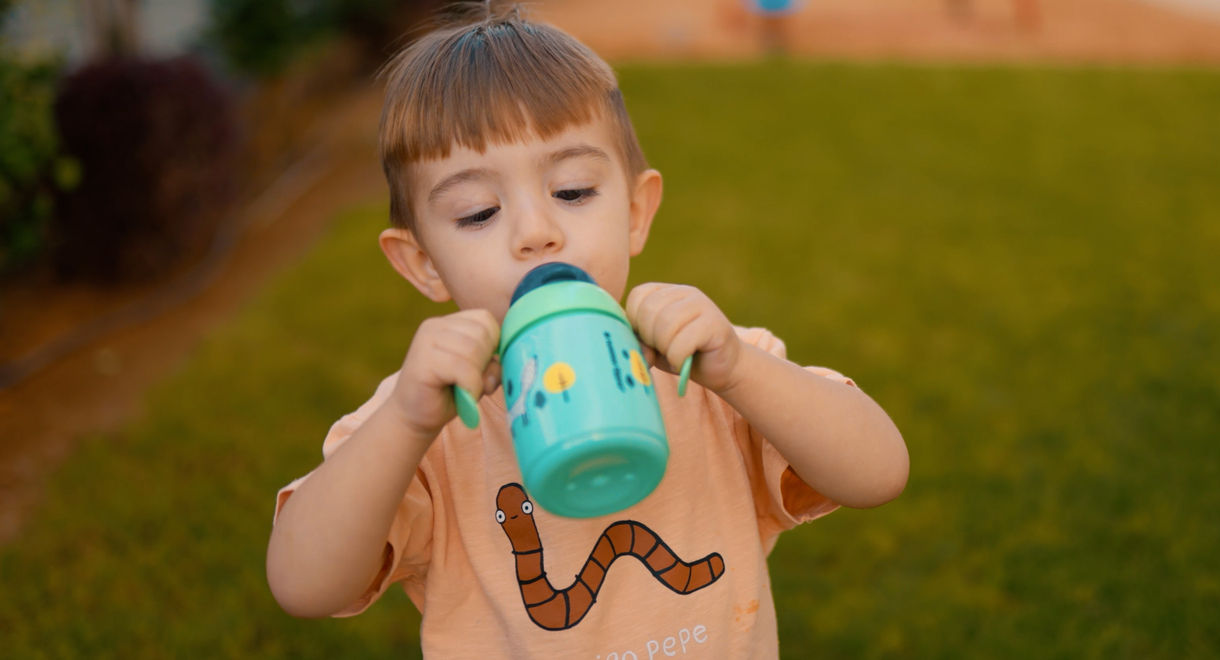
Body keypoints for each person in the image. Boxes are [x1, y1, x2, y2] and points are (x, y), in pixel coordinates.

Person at [266, 4, 908, 657]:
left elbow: (879, 473)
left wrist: (741, 369)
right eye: (478, 211)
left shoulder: (716, 371)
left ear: (635, 211)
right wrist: (403, 423)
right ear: (423, 262)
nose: (535, 232)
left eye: (571, 191)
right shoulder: (419, 425)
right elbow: (303, 587)